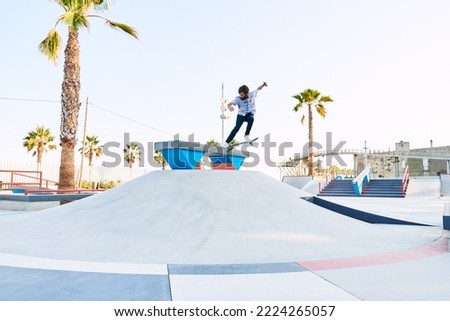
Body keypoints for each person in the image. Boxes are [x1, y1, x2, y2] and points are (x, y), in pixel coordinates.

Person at [223, 81, 267, 148]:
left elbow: (258, 89)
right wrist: (230, 108)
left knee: (251, 118)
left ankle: (246, 135)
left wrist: (263, 85)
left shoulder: (252, 94)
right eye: (240, 94)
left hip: (249, 114)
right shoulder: (237, 99)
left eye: (242, 94)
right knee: (236, 128)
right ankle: (226, 143)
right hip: (241, 115)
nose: (241, 96)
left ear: (246, 93)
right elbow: (229, 104)